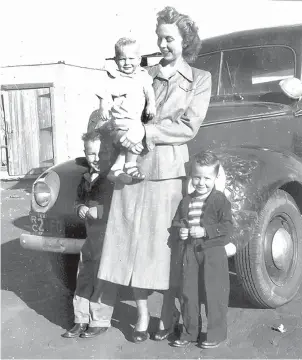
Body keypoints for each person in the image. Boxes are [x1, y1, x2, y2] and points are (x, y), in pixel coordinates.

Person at [96, 6, 212, 343]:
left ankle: (166, 315)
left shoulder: (199, 79)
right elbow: (116, 113)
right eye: (159, 37)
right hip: (131, 169)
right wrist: (123, 133)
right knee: (132, 245)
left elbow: (188, 126)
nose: (163, 44)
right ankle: (144, 317)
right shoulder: (139, 73)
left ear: (185, 41)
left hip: (167, 173)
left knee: (162, 250)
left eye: (170, 38)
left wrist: (144, 133)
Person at [171, 150, 233, 349]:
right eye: (197, 177)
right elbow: (178, 221)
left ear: (215, 178)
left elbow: (228, 228)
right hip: (190, 252)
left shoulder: (220, 200)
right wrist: (181, 230)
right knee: (189, 293)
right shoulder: (186, 201)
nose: (201, 182)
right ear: (191, 176)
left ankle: (216, 333)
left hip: (213, 253)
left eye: (207, 178)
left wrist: (205, 231)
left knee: (215, 294)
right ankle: (190, 332)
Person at [61, 130, 117, 339]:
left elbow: (119, 207)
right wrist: (80, 209)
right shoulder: (85, 179)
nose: (95, 158)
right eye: (90, 154)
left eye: (100, 153)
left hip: (108, 239)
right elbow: (76, 202)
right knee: (84, 276)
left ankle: (100, 319)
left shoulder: (112, 178)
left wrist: (99, 211)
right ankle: (81, 319)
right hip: (91, 238)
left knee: (103, 278)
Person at [96, 37, 156, 184]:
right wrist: (103, 107)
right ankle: (130, 165)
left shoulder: (143, 76)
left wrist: (151, 105)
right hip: (121, 119)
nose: (127, 63)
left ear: (139, 59)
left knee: (129, 142)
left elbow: (149, 92)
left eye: (131, 58)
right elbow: (105, 93)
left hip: (134, 119)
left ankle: (116, 168)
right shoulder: (115, 78)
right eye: (122, 59)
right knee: (137, 138)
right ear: (116, 60)